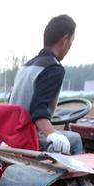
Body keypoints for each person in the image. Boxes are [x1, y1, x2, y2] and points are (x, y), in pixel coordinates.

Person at [9, 14, 83, 155]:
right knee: (75, 139)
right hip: (28, 135)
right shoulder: (53, 68)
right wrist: (52, 133)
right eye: (71, 42)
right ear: (65, 40)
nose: (69, 47)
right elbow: (38, 109)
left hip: (11, 132)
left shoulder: (26, 66)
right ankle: (79, 177)